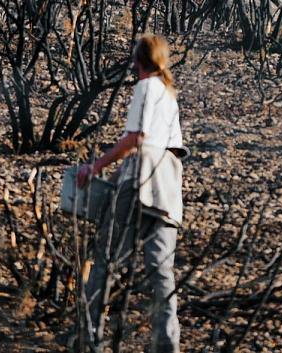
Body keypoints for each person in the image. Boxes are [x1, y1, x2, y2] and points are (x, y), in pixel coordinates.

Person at [75, 33, 186, 353]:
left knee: (105, 261)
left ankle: (88, 338)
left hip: (139, 180)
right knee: (162, 272)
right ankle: (167, 344)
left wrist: (94, 168)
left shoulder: (146, 86)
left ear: (137, 62)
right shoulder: (168, 93)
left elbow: (136, 139)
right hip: (167, 186)